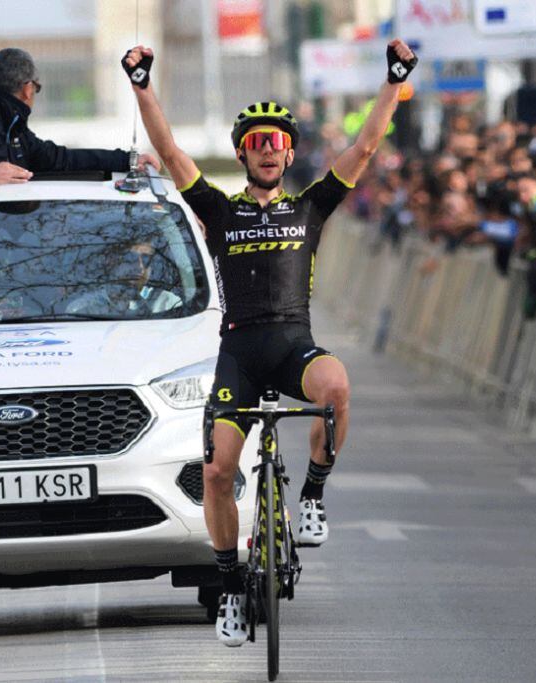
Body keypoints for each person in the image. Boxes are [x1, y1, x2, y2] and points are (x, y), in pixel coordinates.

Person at [121, 39, 417, 646]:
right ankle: (230, 585)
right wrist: (143, 85)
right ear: (241, 153)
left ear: (289, 154)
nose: (267, 150)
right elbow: (171, 151)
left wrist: (392, 81)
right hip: (240, 357)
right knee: (217, 474)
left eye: (276, 141)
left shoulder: (310, 208)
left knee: (335, 386)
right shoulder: (220, 211)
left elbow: (364, 146)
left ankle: (311, 495)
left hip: (292, 347)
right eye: (256, 142)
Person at [0, 48, 158, 188]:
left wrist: (128, 160)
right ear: (27, 88)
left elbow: (58, 159)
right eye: (37, 88)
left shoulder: (8, 124)